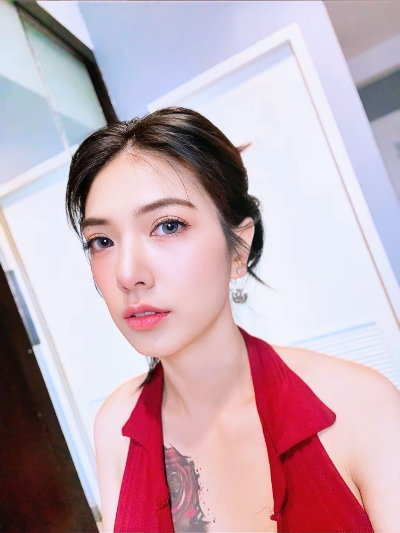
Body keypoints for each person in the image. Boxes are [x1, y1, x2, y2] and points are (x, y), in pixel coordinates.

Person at [66, 107, 400, 533]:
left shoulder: (360, 406)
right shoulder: (116, 426)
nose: (127, 274)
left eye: (168, 226)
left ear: (238, 247)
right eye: (102, 241)